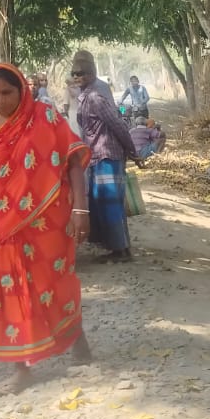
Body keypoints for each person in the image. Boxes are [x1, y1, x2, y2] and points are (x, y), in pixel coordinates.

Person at [0, 63, 94, 392]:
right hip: (2, 221)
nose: (0, 100)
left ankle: (74, 335)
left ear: (22, 88)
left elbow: (73, 160)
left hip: (48, 218)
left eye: (7, 92)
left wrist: (81, 208)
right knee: (10, 289)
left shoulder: (45, 116)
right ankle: (21, 367)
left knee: (54, 281)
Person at [70, 53, 143, 262]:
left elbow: (117, 123)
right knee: (99, 200)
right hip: (94, 156)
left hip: (107, 155)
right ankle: (112, 246)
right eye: (74, 74)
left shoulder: (95, 97)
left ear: (91, 73)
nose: (77, 77)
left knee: (110, 202)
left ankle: (121, 250)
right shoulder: (85, 94)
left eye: (81, 73)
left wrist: (133, 152)